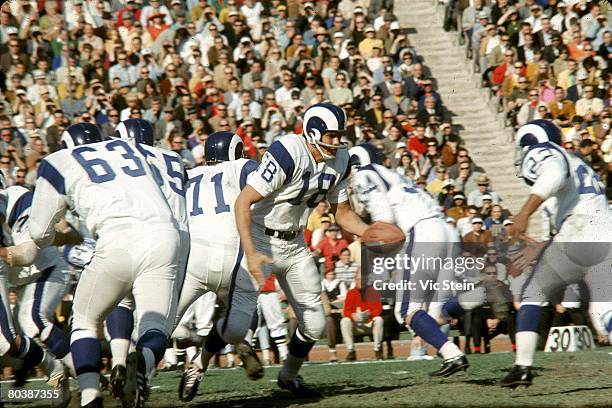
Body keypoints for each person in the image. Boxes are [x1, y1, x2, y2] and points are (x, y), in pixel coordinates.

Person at [29, 123, 181, 407]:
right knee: (156, 324)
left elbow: (38, 233)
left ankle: (90, 396)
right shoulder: (129, 148)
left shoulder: (59, 160)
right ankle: (145, 360)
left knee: (85, 321)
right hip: (165, 237)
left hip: (117, 239)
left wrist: (59, 236)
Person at [234, 103, 369, 397]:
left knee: (315, 323)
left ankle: (288, 376)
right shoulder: (288, 150)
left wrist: (370, 233)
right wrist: (249, 251)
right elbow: (243, 201)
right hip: (261, 238)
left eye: (339, 135)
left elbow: (342, 213)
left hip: (295, 243)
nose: (337, 141)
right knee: (237, 321)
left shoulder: (341, 159)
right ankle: (198, 365)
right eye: (331, 135)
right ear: (312, 132)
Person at [500, 119, 612, 388]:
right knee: (603, 314)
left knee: (531, 292)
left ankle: (523, 367)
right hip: (606, 234)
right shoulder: (578, 162)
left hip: (579, 230)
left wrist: (524, 213)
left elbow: (552, 173)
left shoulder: (544, 151)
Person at [349, 143, 468, 377]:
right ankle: (472, 300)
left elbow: (385, 221)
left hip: (422, 232)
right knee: (436, 310)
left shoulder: (364, 174)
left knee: (406, 310)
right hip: (445, 230)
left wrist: (366, 262)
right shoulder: (395, 175)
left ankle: (453, 354)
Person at [175, 131, 263, 402]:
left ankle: (135, 370)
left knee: (160, 320)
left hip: (193, 260)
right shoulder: (242, 166)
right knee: (247, 319)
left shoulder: (188, 174)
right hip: (231, 258)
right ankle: (203, 360)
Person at [107, 118, 190, 403]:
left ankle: (118, 361)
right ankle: (142, 362)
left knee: (120, 300)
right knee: (158, 324)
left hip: (127, 235)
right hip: (170, 240)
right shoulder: (174, 159)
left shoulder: (119, 158)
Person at [341, 270, 384, 361]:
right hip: (356, 325)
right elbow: (346, 311)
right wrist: (352, 315)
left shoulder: (373, 292)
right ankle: (351, 351)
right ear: (355, 280)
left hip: (369, 323)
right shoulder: (351, 293)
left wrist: (369, 315)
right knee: (345, 321)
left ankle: (377, 350)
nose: (360, 282)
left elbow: (378, 309)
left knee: (379, 319)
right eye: (358, 279)